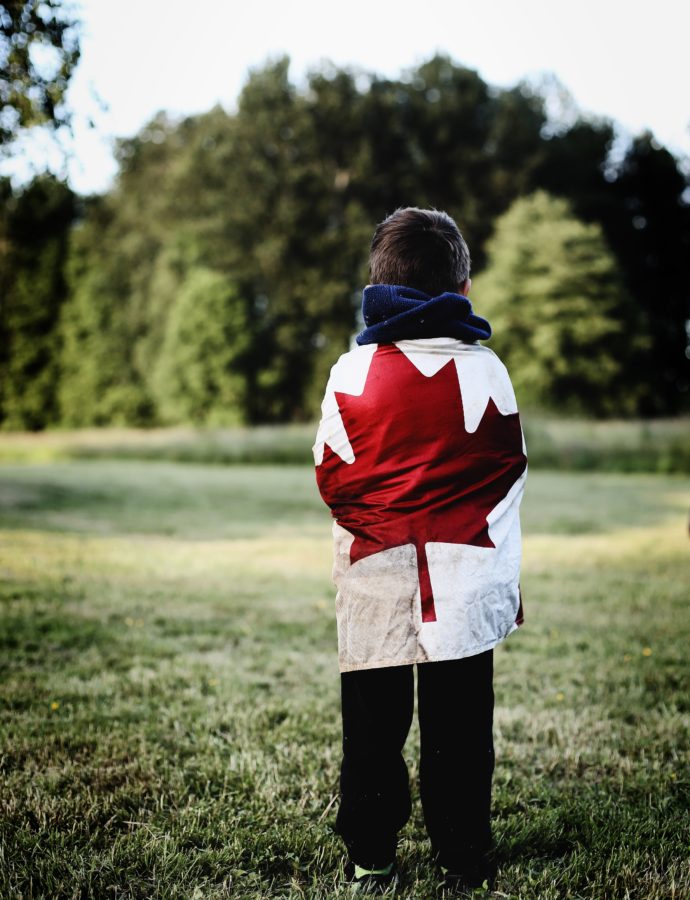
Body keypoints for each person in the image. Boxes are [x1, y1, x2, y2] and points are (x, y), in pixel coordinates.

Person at [313, 207, 527, 894]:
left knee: (371, 730)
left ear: (380, 282)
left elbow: (331, 474)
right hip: (464, 578)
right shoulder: (487, 368)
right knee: (462, 731)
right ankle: (463, 857)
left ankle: (371, 854)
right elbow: (508, 465)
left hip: (374, 573)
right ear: (461, 287)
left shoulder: (351, 372)